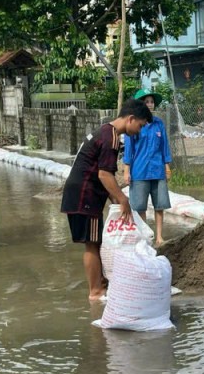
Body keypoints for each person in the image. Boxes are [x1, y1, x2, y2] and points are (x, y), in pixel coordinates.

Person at [60, 99, 152, 301]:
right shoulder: (111, 138)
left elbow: (102, 175)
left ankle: (100, 284)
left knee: (94, 241)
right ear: (130, 119)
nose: (140, 131)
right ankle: (95, 291)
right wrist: (122, 199)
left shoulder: (104, 131)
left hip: (79, 194)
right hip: (85, 197)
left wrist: (116, 201)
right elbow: (104, 175)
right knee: (92, 243)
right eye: (140, 125)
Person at [121, 89, 172, 247]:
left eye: (151, 101)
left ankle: (159, 237)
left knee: (160, 205)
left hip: (157, 170)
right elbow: (129, 149)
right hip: (140, 171)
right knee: (140, 206)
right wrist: (126, 170)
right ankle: (144, 236)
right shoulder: (136, 125)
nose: (150, 104)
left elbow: (164, 147)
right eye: (146, 102)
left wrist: (167, 166)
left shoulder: (159, 124)